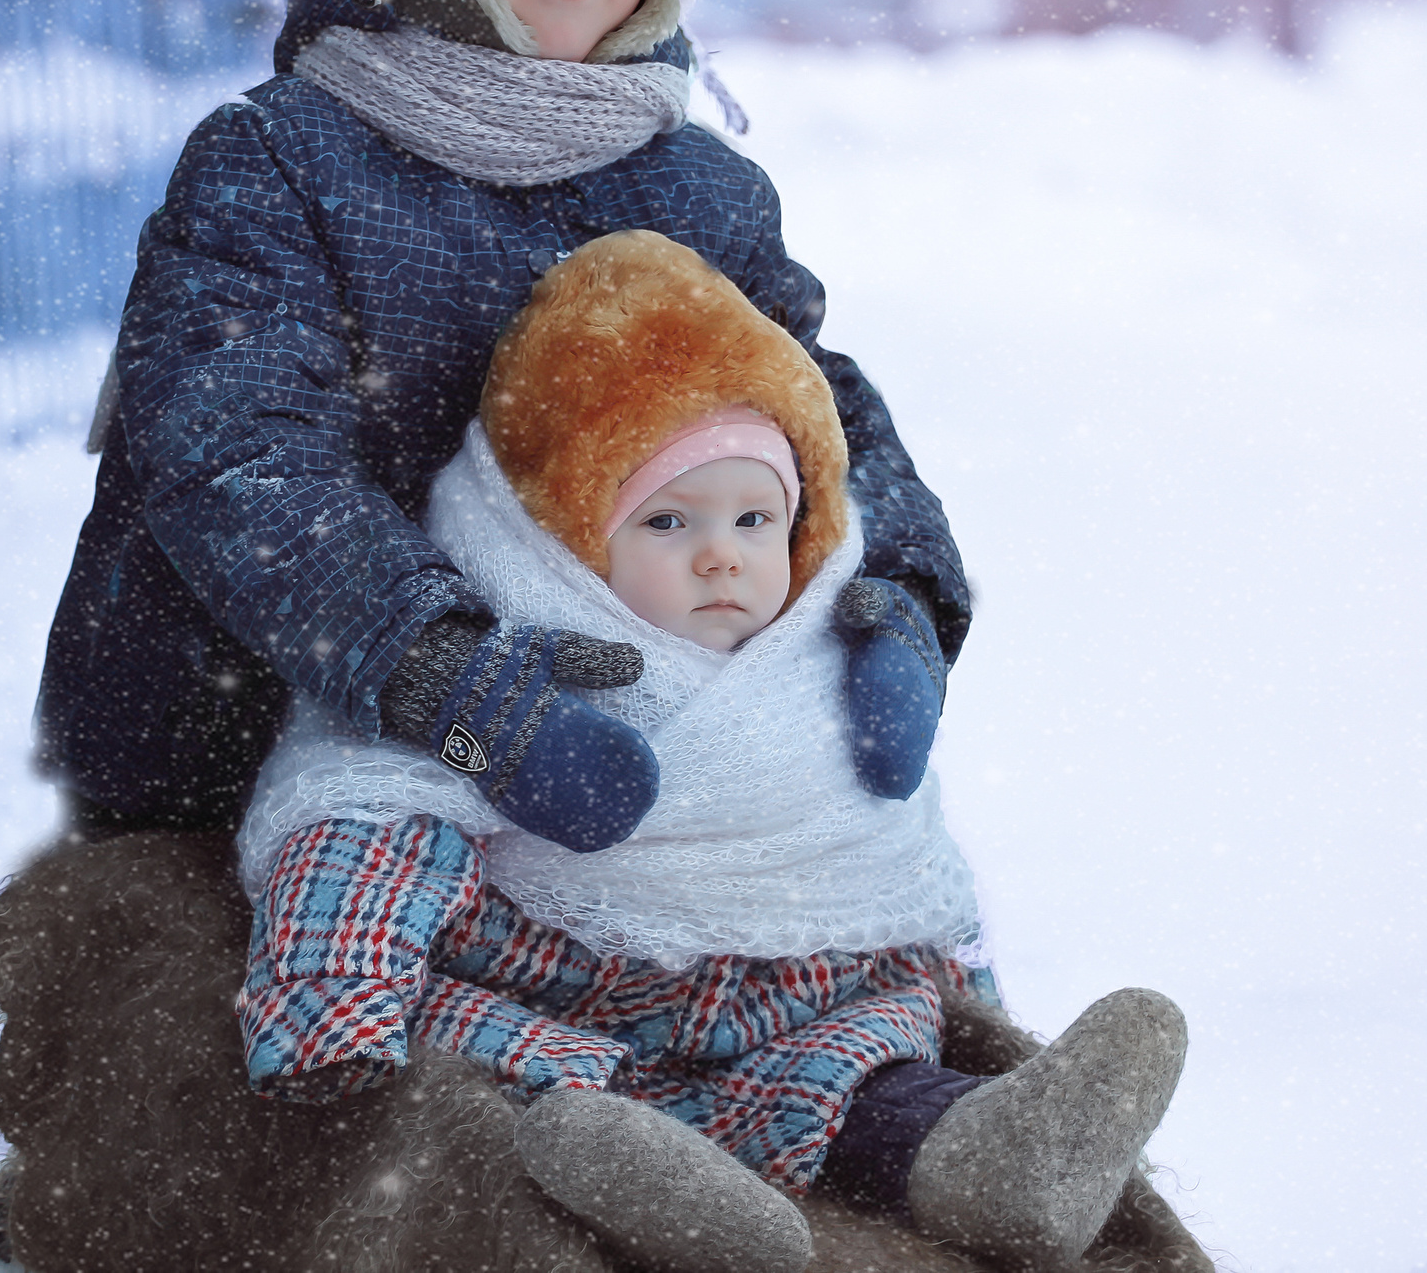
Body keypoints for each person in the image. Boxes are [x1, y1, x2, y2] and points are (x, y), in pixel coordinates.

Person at [36, 0, 965, 865]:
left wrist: (898, 599)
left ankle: (897, 1052)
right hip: (253, 732)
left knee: (819, 853)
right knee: (362, 947)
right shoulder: (282, 161)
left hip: (602, 730)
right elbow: (235, 456)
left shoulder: (698, 192)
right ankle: (456, 1060)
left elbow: (811, 411)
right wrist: (450, 687)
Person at [232, 231, 1189, 1273]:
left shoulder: (819, 675)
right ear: (560, 538)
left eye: (754, 519)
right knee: (493, 1099)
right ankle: (666, 1198)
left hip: (793, 1024)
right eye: (667, 520)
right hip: (562, 1021)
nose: (720, 553)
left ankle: (985, 1152)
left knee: (869, 1073)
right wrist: (340, 1024)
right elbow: (373, 822)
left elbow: (901, 875)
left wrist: (975, 1012)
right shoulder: (504, 666)